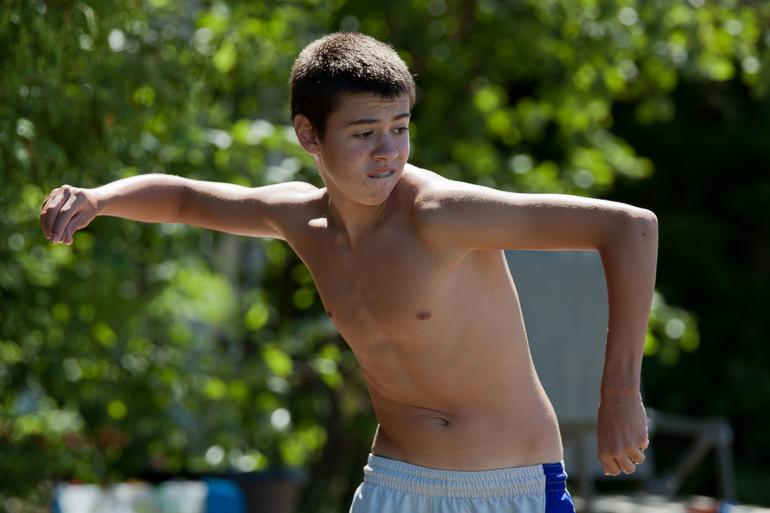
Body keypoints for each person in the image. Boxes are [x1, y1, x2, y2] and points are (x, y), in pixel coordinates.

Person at [40, 32, 657, 513]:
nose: (388, 151)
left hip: (510, 485)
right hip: (394, 482)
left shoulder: (440, 216)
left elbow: (629, 227)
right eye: (364, 133)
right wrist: (97, 197)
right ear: (309, 134)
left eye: (400, 128)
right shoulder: (300, 220)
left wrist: (620, 392)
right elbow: (184, 199)